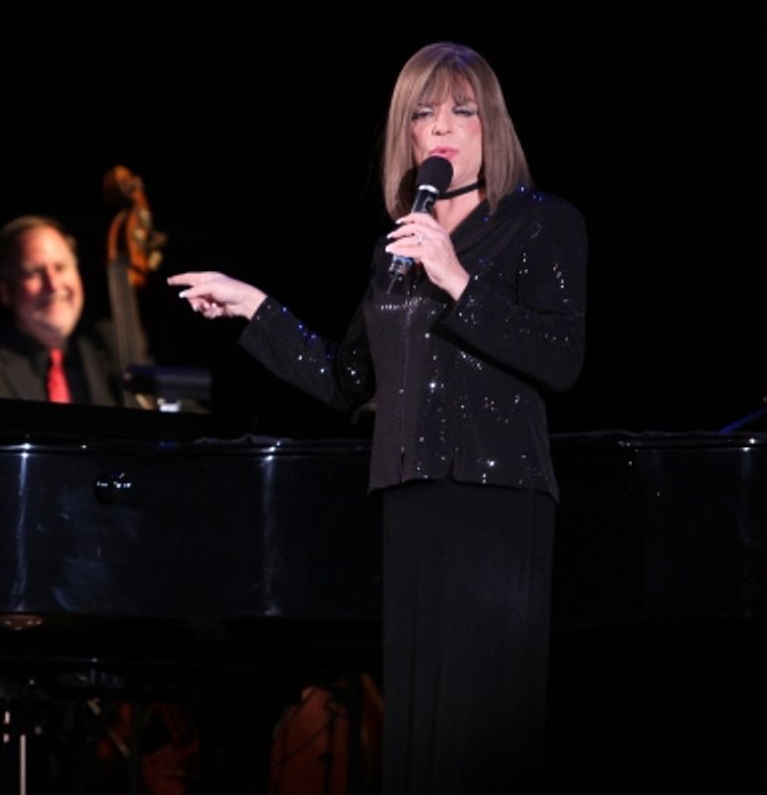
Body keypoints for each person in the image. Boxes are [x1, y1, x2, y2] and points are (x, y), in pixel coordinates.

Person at [169, 41, 587, 794]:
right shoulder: (398, 242)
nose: (442, 128)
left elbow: (560, 357)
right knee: (419, 727)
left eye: (462, 111)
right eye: (424, 114)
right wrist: (254, 307)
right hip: (410, 496)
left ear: (492, 124)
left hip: (496, 498)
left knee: (480, 729)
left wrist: (457, 278)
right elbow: (346, 380)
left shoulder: (540, 222)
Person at [0, 215, 134, 406]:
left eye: (61, 267)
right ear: (6, 291)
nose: (53, 284)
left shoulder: (110, 346)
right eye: (33, 272)